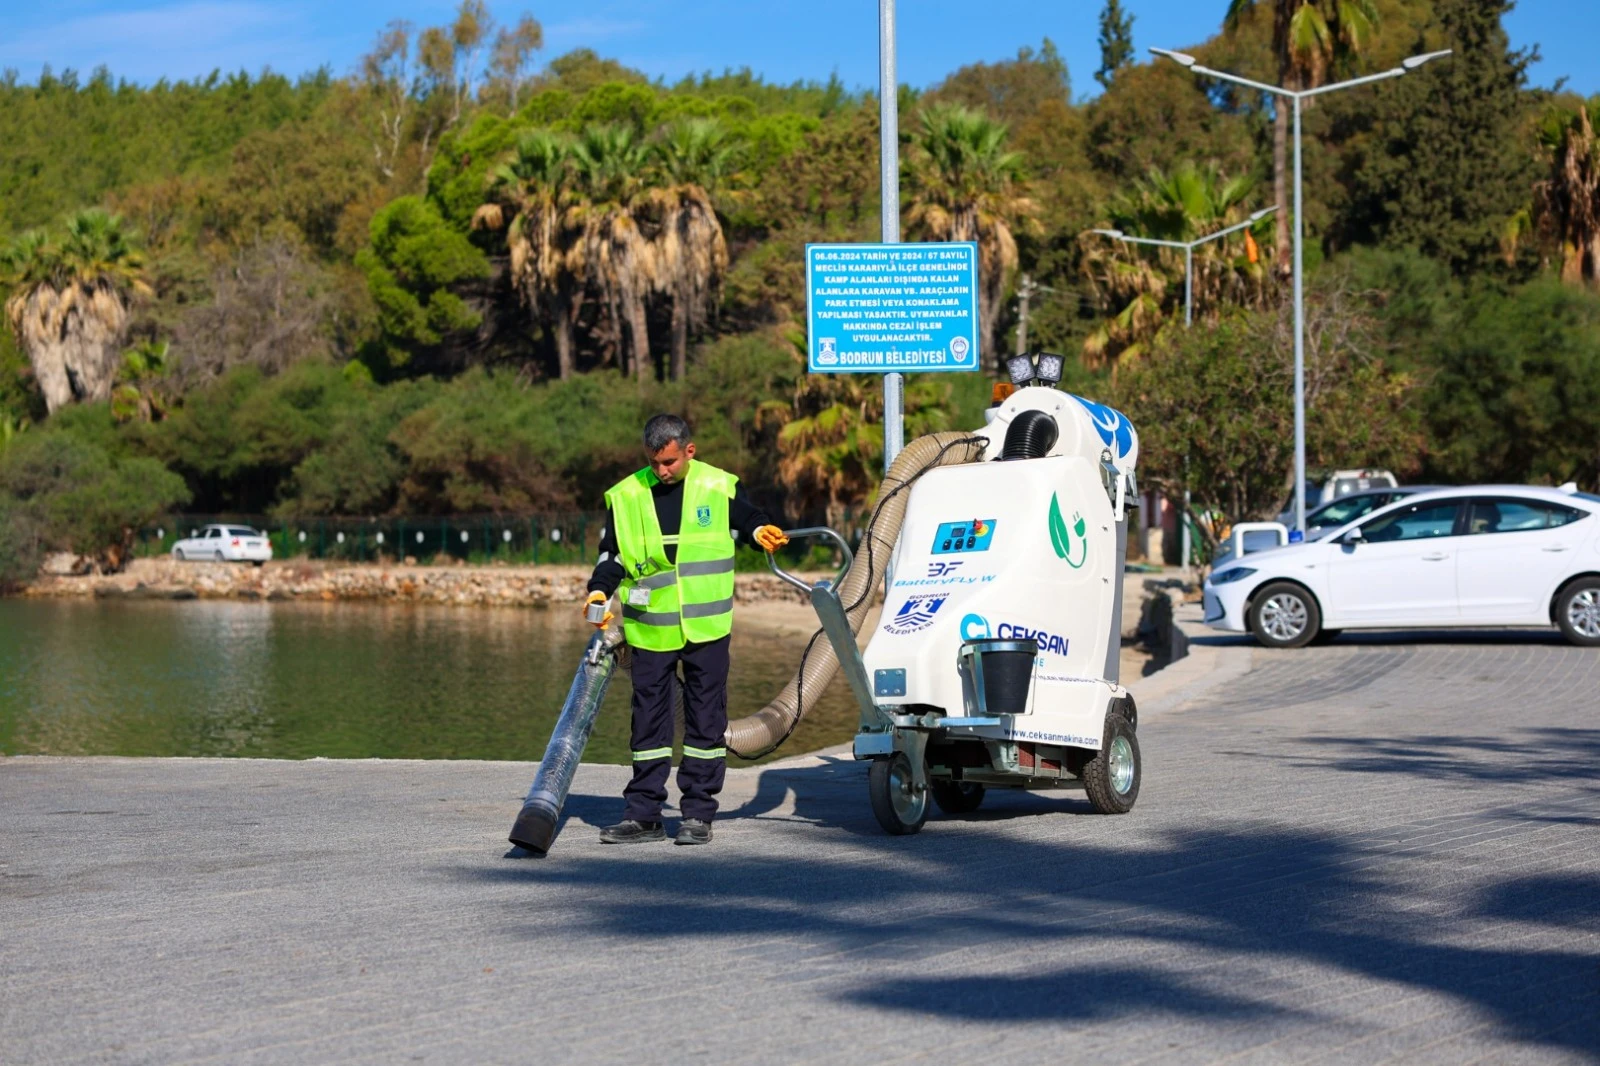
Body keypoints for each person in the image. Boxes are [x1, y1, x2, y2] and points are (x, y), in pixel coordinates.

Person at [584, 414, 788, 845]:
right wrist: (598, 593)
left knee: (705, 722)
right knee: (648, 726)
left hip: (706, 627)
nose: (662, 471)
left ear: (688, 451)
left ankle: (697, 814)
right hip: (650, 629)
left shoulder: (719, 486)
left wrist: (759, 530)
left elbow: (745, 519)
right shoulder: (625, 495)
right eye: (655, 462)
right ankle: (644, 815)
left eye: (670, 462)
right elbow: (612, 556)